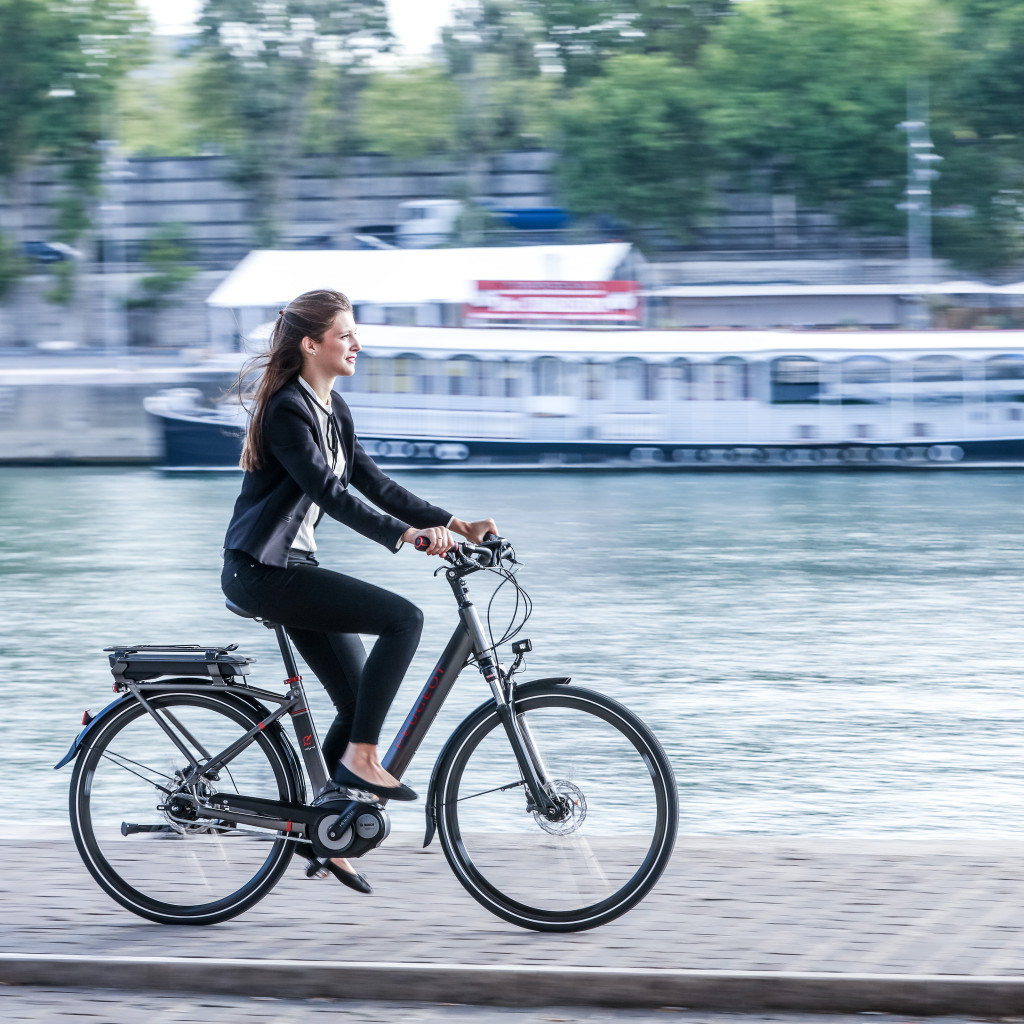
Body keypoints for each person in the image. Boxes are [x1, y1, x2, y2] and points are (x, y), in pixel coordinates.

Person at [221, 288, 496, 893]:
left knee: (355, 699)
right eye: (346, 335)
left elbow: (372, 481)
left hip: (290, 569)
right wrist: (408, 539)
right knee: (404, 620)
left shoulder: (332, 408)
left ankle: (330, 827)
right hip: (263, 572)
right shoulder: (287, 411)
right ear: (311, 344)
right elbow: (330, 493)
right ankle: (362, 759)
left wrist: (454, 523)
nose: (357, 344)